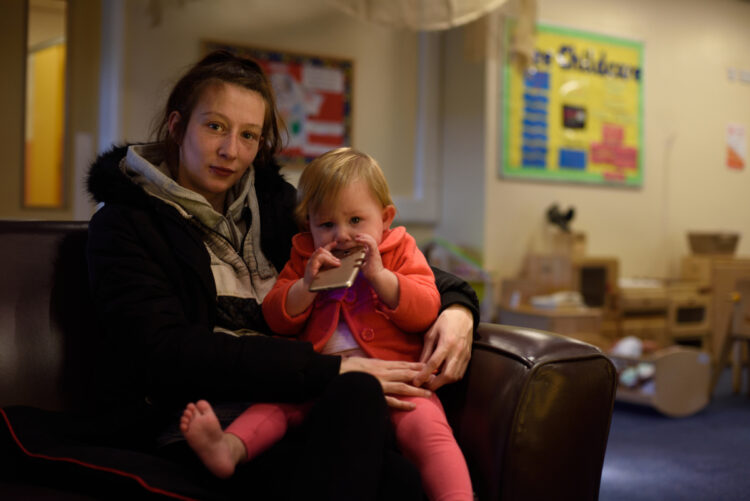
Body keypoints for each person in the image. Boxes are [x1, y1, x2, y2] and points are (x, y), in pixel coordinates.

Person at [85, 49, 479, 500]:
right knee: (371, 430)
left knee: (403, 477)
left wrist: (458, 310)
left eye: (249, 135)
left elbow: (390, 260)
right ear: (177, 126)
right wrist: (332, 369)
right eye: (215, 126)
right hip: (201, 416)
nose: (231, 151)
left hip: (299, 398)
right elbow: (163, 352)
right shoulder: (123, 225)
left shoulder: (273, 204)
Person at [180, 148, 474, 501]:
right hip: (318, 380)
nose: (342, 235)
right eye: (326, 224)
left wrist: (380, 277)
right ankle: (228, 449)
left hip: (399, 379)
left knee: (431, 434)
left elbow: (427, 307)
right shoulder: (305, 256)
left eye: (355, 221)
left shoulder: (400, 249)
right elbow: (276, 317)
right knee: (272, 408)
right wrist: (305, 286)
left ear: (385, 218)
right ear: (309, 226)